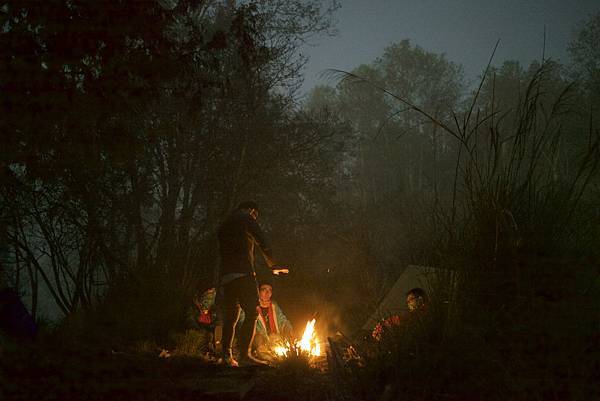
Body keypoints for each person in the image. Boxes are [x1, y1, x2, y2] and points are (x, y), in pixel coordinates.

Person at [217, 201, 288, 367]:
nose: (255, 218)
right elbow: (262, 240)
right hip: (243, 273)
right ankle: (245, 355)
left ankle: (226, 356)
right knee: (252, 312)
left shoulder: (224, 225)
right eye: (255, 215)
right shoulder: (246, 218)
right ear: (250, 210)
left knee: (231, 317)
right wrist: (273, 265)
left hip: (227, 276)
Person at [250, 281, 292, 363]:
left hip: (273, 337)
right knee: (259, 339)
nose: (267, 292)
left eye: (270, 290)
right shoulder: (252, 306)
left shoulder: (274, 306)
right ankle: (268, 358)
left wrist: (288, 328)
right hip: (259, 338)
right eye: (264, 290)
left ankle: (280, 359)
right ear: (258, 292)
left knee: (279, 343)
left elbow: (283, 320)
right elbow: (244, 323)